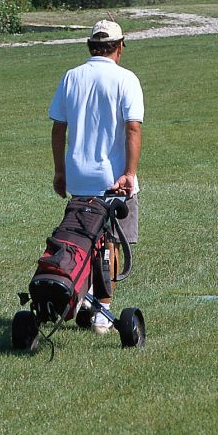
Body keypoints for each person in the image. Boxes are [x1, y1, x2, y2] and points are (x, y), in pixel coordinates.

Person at [49, 20, 144, 334]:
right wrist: (129, 173)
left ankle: (85, 298)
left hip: (78, 175)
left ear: (91, 46)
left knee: (81, 239)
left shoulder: (71, 77)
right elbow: (132, 128)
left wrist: (60, 171)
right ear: (119, 46)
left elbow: (58, 127)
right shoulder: (125, 79)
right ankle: (103, 307)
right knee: (111, 244)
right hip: (113, 179)